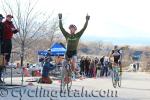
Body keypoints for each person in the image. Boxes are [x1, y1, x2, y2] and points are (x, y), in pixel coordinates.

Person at [58, 13, 90, 78]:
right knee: (64, 63)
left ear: (75, 30)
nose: (72, 30)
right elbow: (61, 28)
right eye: (71, 29)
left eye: (73, 29)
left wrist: (87, 20)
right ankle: (64, 75)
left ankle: (72, 73)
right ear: (69, 29)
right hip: (68, 52)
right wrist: (60, 19)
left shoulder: (78, 35)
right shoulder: (67, 35)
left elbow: (84, 28)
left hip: (74, 52)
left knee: (73, 61)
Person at [0, 14, 5, 84]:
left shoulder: (2, 25)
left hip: (2, 42)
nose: (1, 19)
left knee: (1, 64)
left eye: (1, 18)